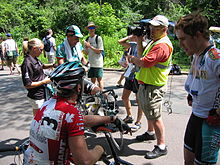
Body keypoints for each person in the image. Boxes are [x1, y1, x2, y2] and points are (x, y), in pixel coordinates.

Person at [23, 61, 130, 165]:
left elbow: (81, 120)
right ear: (79, 88)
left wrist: (111, 119)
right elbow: (84, 161)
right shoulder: (71, 113)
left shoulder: (48, 104)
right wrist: (99, 149)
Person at [175, 12, 220, 165]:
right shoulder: (196, 55)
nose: (180, 45)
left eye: (183, 39)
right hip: (196, 116)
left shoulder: (215, 57)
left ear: (198, 34)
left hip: (210, 122)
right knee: (188, 160)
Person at [127, 15, 173, 159]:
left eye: (156, 28)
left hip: (154, 86)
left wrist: (133, 60)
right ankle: (150, 133)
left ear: (164, 29)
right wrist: (140, 41)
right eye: (151, 27)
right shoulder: (155, 42)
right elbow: (142, 54)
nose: (151, 30)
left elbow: (145, 62)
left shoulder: (162, 45)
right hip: (147, 84)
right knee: (149, 112)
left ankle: (161, 146)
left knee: (156, 116)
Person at [21, 38, 56, 116]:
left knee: (44, 116)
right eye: (41, 50)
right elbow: (28, 84)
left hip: (43, 93)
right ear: (34, 49)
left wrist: (53, 65)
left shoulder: (34, 59)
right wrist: (44, 81)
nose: (42, 52)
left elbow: (41, 66)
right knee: (39, 118)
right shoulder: (27, 63)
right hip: (36, 96)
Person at [118, 35, 144, 131]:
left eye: (136, 35)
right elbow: (120, 41)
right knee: (124, 97)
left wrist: (139, 39)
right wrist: (129, 36)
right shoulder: (132, 45)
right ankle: (129, 116)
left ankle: (138, 121)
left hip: (138, 75)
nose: (134, 37)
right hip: (130, 74)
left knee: (139, 100)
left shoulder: (143, 45)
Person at [84, 22, 104, 90]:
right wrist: (86, 48)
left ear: (95, 29)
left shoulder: (98, 38)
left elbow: (99, 51)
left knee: (99, 80)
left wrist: (90, 46)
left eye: (93, 28)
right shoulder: (87, 39)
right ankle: (94, 95)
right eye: (90, 28)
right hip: (91, 63)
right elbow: (86, 53)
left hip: (98, 63)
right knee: (92, 81)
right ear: (88, 29)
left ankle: (101, 94)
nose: (91, 29)